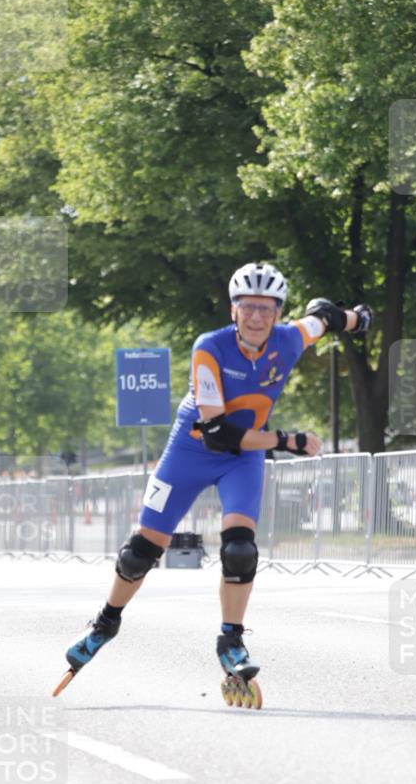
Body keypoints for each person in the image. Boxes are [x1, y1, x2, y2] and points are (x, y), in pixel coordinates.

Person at [54, 262, 372, 704]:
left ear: (278, 312)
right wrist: (290, 440)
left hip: (243, 458)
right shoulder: (209, 347)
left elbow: (325, 317)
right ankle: (106, 622)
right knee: (139, 553)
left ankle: (231, 639)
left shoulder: (290, 339)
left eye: (266, 308)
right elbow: (219, 433)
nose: (257, 317)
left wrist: (359, 319)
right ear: (233, 310)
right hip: (192, 450)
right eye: (247, 308)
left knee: (240, 549)